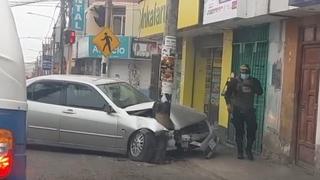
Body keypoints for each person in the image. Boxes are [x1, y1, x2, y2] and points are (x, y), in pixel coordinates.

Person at [224, 64, 263, 160]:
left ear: (249, 72)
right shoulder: (234, 81)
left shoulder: (254, 81)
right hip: (237, 109)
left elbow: (260, 92)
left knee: (252, 130)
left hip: (249, 110)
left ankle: (248, 150)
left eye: (246, 72)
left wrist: (252, 86)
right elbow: (227, 94)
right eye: (242, 72)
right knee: (239, 131)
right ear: (240, 72)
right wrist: (228, 105)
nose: (244, 74)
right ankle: (240, 152)